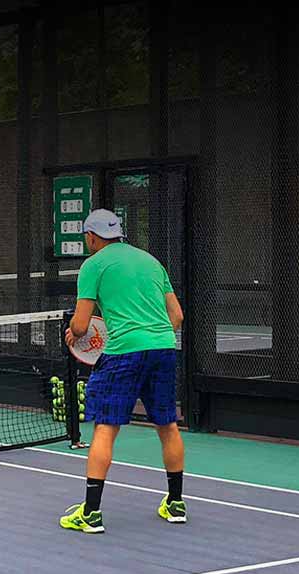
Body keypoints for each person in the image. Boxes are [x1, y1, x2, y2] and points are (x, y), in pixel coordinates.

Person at [59, 208, 187, 534]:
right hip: (163, 348)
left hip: (123, 355)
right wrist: (153, 338)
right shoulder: (151, 262)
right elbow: (177, 316)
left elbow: (81, 324)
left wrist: (74, 333)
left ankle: (90, 513)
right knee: (168, 425)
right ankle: (175, 504)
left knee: (106, 428)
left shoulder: (93, 265)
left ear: (91, 236)